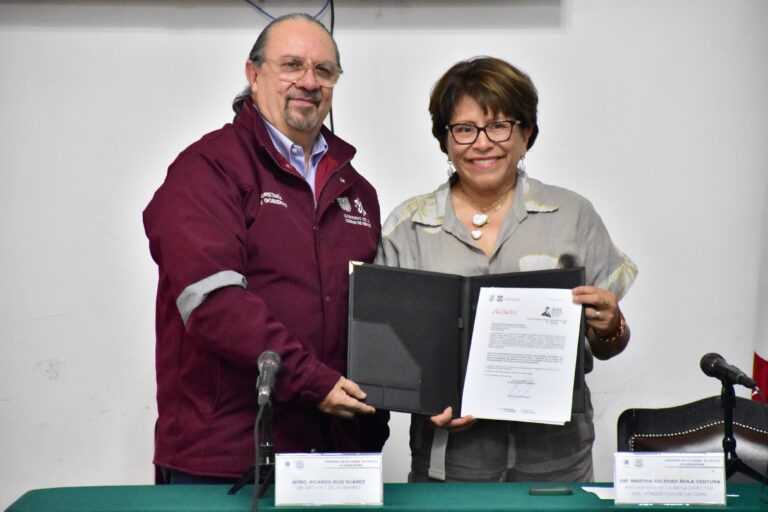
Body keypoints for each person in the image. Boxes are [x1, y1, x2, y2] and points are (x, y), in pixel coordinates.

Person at [143, 13, 388, 484]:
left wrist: (400, 402)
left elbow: (378, 318)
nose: (309, 81)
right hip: (227, 460)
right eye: (291, 64)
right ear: (254, 75)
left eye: (324, 70)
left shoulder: (357, 190)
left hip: (336, 457)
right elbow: (215, 306)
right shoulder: (207, 170)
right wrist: (315, 381)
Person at [376, 56, 638, 482]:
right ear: (445, 139)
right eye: (464, 129)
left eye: (498, 126)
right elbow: (387, 352)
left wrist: (610, 325)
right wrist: (426, 403)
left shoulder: (572, 215)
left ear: (525, 135)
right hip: (450, 465)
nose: (482, 143)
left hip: (555, 463)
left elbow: (609, 344)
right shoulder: (408, 226)